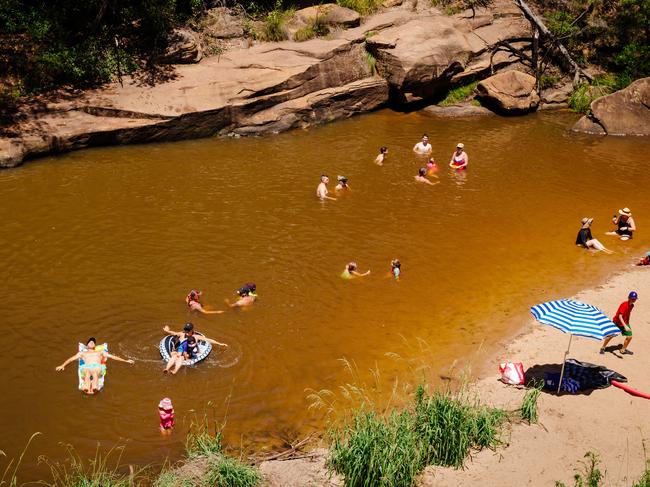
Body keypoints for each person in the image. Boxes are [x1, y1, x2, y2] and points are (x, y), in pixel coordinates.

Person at [56, 337, 134, 394]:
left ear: (95, 346)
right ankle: (87, 388)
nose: (92, 342)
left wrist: (125, 361)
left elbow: (112, 357)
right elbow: (71, 359)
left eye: (93, 342)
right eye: (90, 342)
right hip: (86, 367)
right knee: (87, 372)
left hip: (97, 366)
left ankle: (94, 387)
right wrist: (62, 365)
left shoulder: (100, 352)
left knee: (95, 371)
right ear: (87, 346)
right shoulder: (82, 353)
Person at [163, 323, 228, 374]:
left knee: (181, 358)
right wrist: (167, 330)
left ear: (192, 330)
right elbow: (174, 333)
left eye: (188, 330)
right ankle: (167, 368)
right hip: (179, 350)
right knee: (174, 356)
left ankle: (175, 370)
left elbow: (208, 340)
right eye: (185, 330)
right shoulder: (182, 334)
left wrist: (220, 343)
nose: (186, 332)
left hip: (188, 352)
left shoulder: (196, 337)